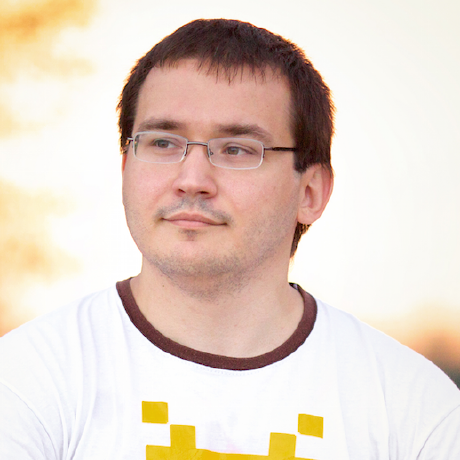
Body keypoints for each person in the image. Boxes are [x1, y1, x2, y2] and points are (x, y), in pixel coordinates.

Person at [0, 18, 459, 460]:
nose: (192, 180)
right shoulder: (26, 379)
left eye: (237, 149)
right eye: (163, 143)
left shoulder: (416, 410)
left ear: (311, 192)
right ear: (125, 168)